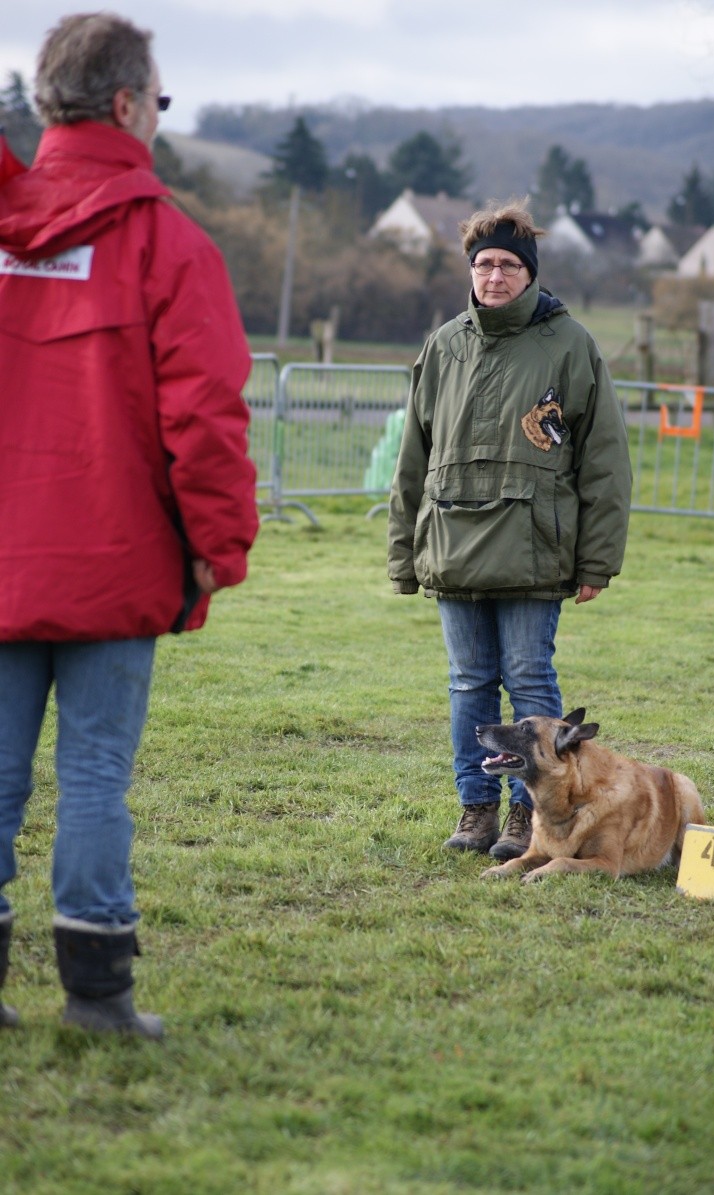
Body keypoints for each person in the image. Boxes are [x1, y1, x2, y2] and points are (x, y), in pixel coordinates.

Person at [0, 13, 259, 1037]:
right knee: (95, 777)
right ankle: (97, 993)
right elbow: (206, 417)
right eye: (157, 100)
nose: (157, 117)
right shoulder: (169, 245)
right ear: (123, 105)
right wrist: (218, 548)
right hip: (114, 563)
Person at [388, 200, 632, 861]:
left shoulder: (571, 344)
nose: (494, 276)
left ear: (529, 274)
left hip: (534, 551)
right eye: (484, 264)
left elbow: (604, 460)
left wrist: (596, 559)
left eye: (508, 265)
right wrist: (403, 554)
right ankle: (475, 811)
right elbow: (414, 455)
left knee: (529, 681)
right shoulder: (444, 346)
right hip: (455, 546)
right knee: (468, 682)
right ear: (471, 272)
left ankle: (531, 818)